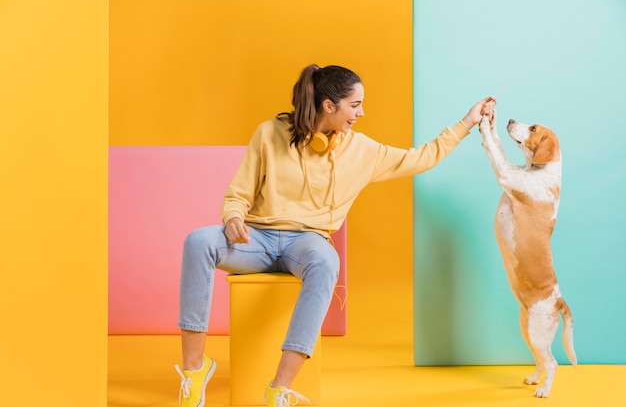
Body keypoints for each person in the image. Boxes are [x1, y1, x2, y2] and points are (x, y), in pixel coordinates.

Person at [174, 64, 496, 407]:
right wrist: (234, 217)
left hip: (307, 243)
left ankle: (279, 388)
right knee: (198, 241)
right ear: (329, 106)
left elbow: (421, 157)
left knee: (327, 261)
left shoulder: (362, 151)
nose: (361, 112)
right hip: (258, 239)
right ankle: (195, 370)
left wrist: (467, 122)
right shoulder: (269, 133)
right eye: (355, 105)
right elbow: (238, 193)